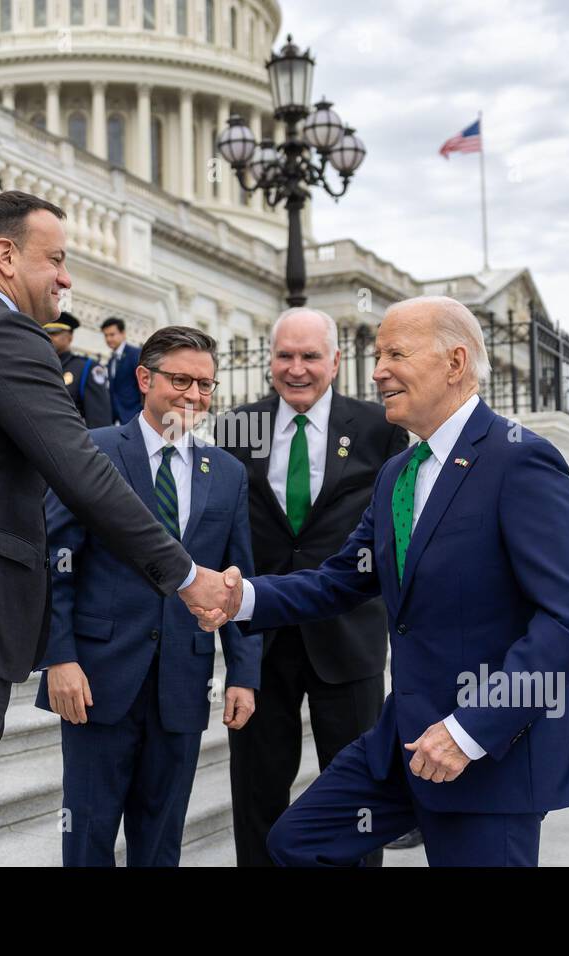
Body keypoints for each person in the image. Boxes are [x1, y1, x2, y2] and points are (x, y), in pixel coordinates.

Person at [204, 296, 569, 867]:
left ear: (455, 363)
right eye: (377, 353)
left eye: (395, 353)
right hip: (404, 738)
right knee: (296, 841)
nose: (378, 369)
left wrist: (470, 730)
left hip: (489, 749)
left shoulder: (521, 461)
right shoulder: (397, 474)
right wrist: (243, 597)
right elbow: (342, 579)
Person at [0, 191, 240, 804]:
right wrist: (184, 574)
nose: (67, 278)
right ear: (8, 256)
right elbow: (83, 475)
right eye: (57, 260)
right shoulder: (8, 335)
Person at [38, 326, 260, 866]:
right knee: (88, 833)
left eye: (206, 385)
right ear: (144, 378)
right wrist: (59, 658)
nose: (194, 395)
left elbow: (236, 582)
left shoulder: (227, 473)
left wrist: (245, 674)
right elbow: (54, 564)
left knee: (161, 840)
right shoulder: (93, 450)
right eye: (181, 379)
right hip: (97, 680)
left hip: (181, 684)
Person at [218, 307, 408, 867]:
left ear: (335, 361)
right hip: (261, 637)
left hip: (348, 639)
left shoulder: (381, 429)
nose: (296, 369)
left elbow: (400, 529)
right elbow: (228, 532)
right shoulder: (236, 426)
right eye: (284, 356)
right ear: (269, 360)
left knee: (357, 797)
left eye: (309, 356)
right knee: (256, 792)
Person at [45, 311, 113, 428]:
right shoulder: (40, 366)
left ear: (70, 337)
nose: (49, 337)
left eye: (54, 333)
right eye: (45, 333)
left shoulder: (86, 368)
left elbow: (99, 420)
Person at [101, 316, 143, 424]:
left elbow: (144, 384)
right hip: (118, 420)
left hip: (135, 415)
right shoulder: (111, 360)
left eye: (112, 334)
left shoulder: (135, 354)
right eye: (106, 335)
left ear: (123, 333)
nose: (108, 339)